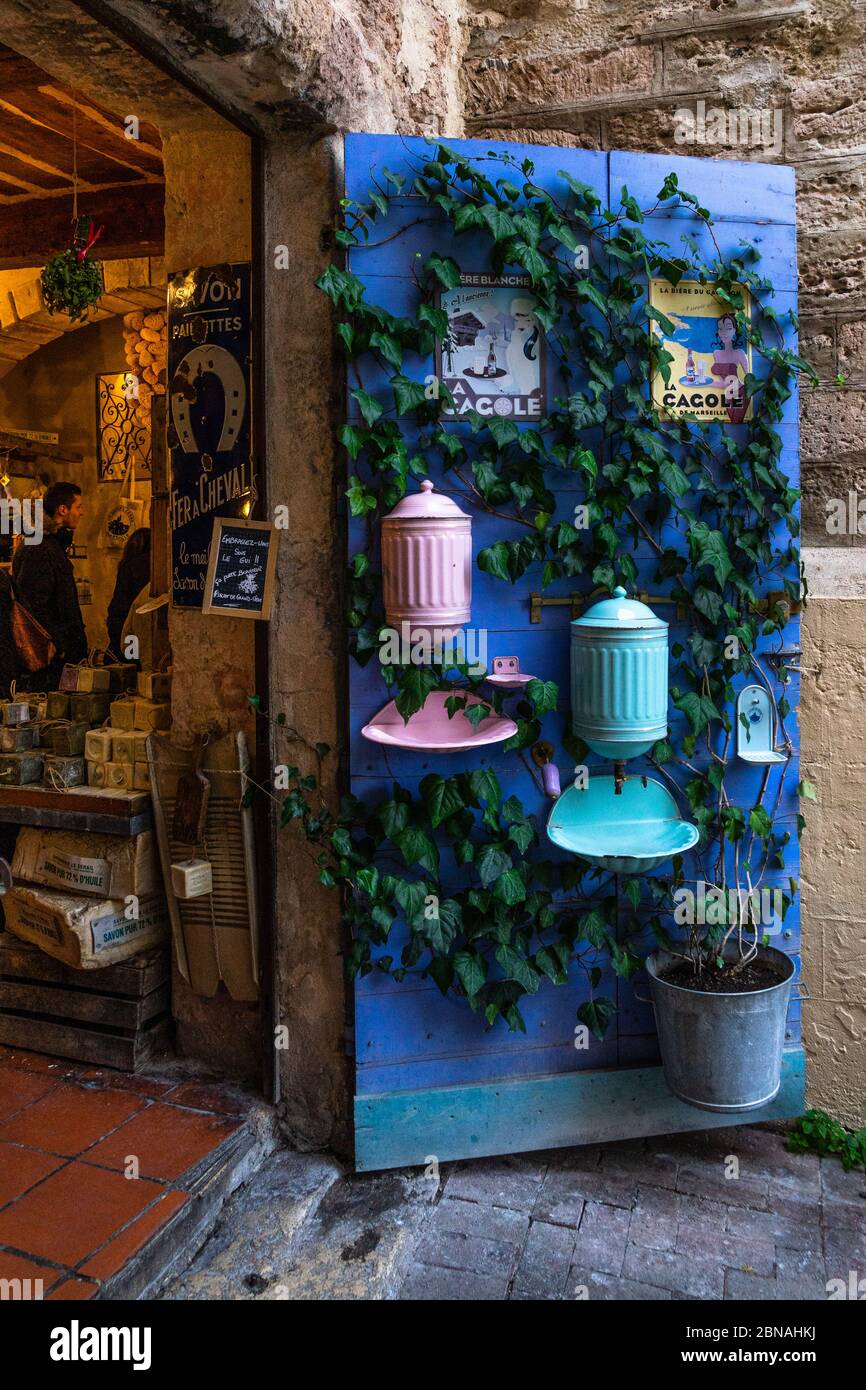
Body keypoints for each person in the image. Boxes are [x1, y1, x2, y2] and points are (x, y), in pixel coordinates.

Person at [14, 480, 87, 671]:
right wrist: (60, 645)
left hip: (62, 653)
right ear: (63, 509)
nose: (82, 512)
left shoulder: (51, 545)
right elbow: (34, 605)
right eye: (78, 507)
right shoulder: (39, 548)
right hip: (51, 659)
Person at [106, 527, 151, 662]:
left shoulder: (129, 566)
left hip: (128, 632)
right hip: (147, 633)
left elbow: (118, 606)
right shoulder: (156, 566)